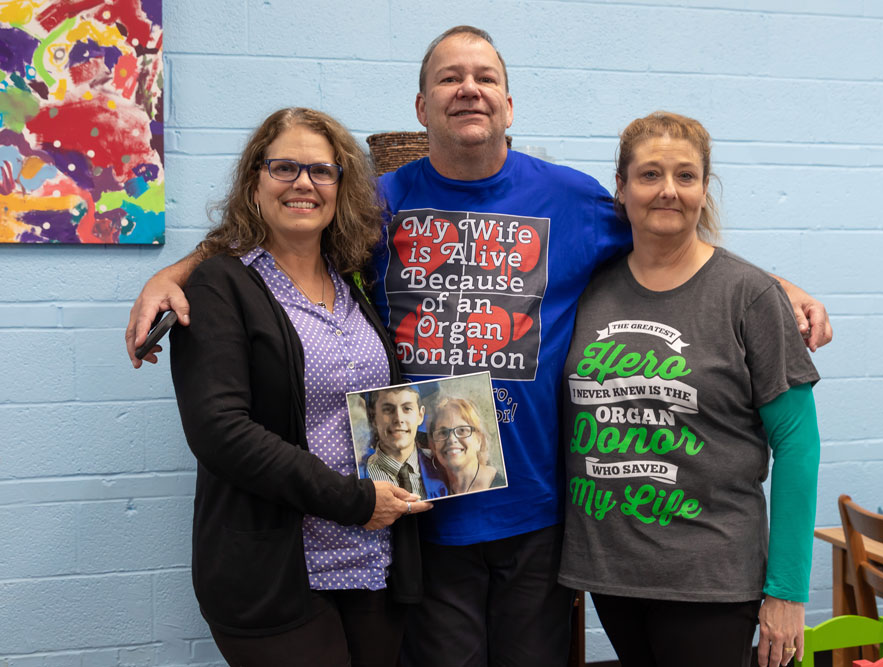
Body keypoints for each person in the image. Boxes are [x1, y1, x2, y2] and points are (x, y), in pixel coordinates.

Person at [125, 26, 832, 667]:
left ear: (508, 104)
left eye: (485, 76)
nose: (469, 88)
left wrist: (776, 284)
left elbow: (672, 237)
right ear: (422, 104)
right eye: (450, 77)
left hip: (540, 513)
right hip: (422, 514)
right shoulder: (378, 202)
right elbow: (280, 236)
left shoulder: (571, 197)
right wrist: (176, 270)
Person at [167, 107, 431, 667]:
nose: (303, 184)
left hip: (370, 560)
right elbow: (220, 432)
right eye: (284, 168)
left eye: (322, 171)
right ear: (254, 183)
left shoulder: (351, 279)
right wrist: (354, 501)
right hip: (274, 573)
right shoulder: (221, 285)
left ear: (341, 186)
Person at [558, 111, 821, 667]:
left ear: (705, 189)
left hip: (712, 574)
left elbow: (798, 446)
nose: (668, 191)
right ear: (621, 189)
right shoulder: (590, 287)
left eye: (686, 176)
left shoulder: (748, 296)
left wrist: (789, 591)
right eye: (650, 175)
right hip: (610, 568)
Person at [362, 386, 448, 500]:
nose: (398, 418)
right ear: (373, 418)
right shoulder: (359, 476)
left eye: (407, 408)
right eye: (388, 409)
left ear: (420, 415)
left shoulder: (442, 472)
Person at [426, 396, 506, 495]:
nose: (451, 439)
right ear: (434, 445)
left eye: (462, 430)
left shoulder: (503, 484)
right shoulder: (431, 489)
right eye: (443, 432)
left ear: (479, 440)